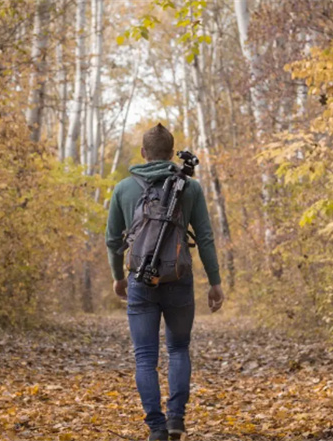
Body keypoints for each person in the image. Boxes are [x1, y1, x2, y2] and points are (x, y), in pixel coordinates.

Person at [105, 123, 224, 441]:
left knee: (145, 356)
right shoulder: (190, 187)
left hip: (141, 281)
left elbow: (113, 241)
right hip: (178, 279)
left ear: (143, 154)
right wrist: (215, 282)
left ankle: (156, 428)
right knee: (179, 349)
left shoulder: (123, 189)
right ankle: (176, 421)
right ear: (172, 154)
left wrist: (119, 277)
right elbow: (206, 238)